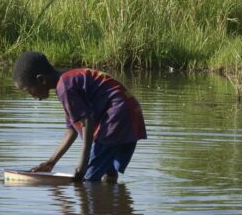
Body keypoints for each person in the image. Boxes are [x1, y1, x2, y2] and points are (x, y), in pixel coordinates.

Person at [12, 51, 146, 182]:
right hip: (128, 111)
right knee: (105, 166)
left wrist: (83, 162)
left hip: (118, 114)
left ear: (41, 80)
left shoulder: (65, 87)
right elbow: (72, 131)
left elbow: (86, 122)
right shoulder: (67, 82)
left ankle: (95, 196)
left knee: (88, 178)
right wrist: (51, 162)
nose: (31, 95)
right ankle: (111, 196)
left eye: (28, 90)